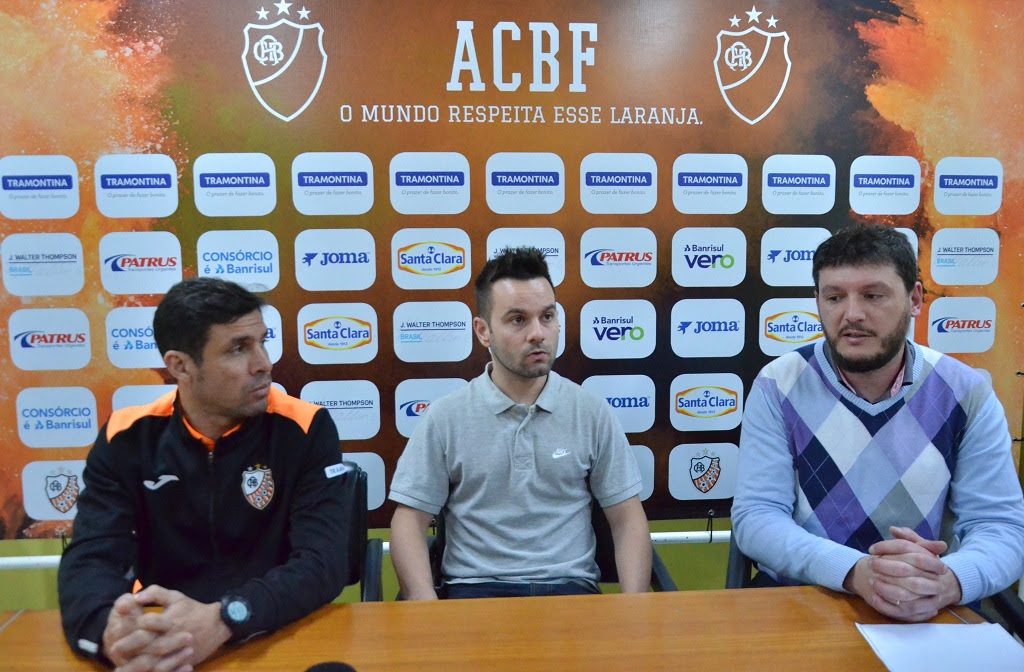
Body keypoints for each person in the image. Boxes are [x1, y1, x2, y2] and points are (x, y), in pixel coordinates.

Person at [59, 277, 355, 670]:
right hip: (167, 643)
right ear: (180, 366)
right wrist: (109, 633)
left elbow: (323, 562)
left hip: (275, 634)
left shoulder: (305, 427)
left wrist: (226, 617)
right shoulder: (127, 437)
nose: (263, 364)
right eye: (238, 349)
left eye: (262, 342)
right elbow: (91, 557)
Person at [733, 223, 1024, 621]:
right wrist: (855, 572)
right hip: (804, 601)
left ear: (915, 299)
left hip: (928, 607)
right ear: (817, 301)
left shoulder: (965, 391)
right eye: (834, 297)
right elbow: (757, 518)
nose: (852, 314)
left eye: (873, 295)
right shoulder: (778, 385)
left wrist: (947, 580)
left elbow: (1002, 527)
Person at [389, 246, 652, 599]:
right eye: (518, 320)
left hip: (570, 591)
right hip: (474, 593)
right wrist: (427, 608)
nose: (538, 333)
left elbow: (627, 520)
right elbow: (409, 521)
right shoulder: (445, 418)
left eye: (547, 317)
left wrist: (634, 610)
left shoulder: (591, 412)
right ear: (483, 331)